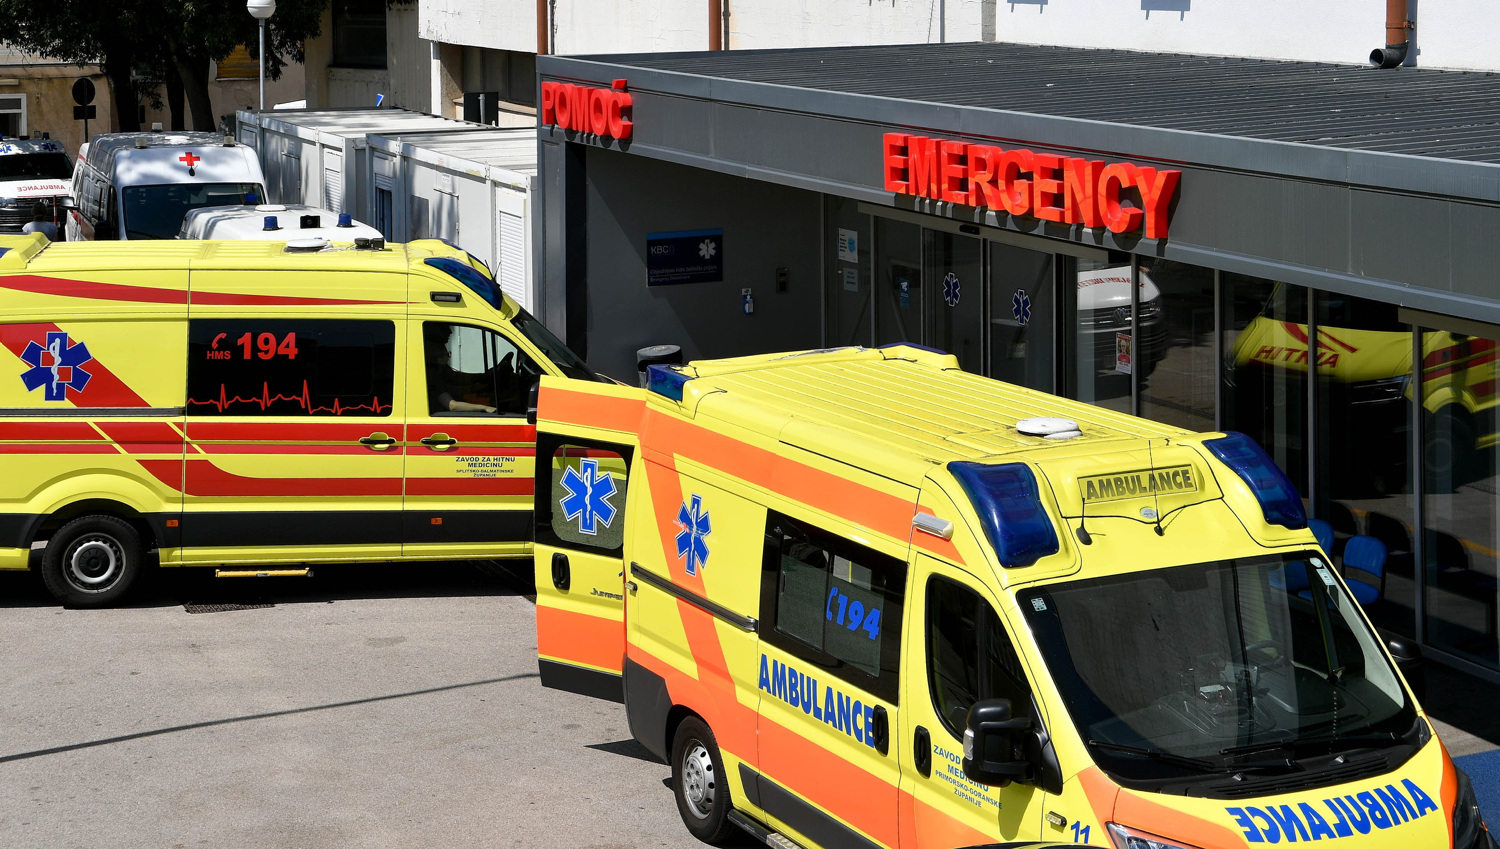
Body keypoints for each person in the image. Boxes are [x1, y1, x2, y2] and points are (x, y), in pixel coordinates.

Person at [424, 324, 497, 414]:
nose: (450, 332)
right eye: (445, 327)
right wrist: (485, 408)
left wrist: (484, 377)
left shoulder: (439, 370)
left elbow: (456, 378)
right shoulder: (431, 375)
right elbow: (452, 405)